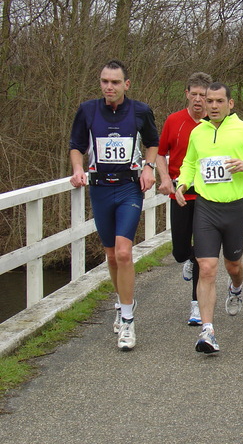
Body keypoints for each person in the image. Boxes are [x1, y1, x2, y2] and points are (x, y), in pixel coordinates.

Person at [175, 82, 243, 354]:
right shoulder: (198, 132)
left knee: (233, 265)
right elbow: (190, 163)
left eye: (220, 101)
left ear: (230, 104)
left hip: (234, 208)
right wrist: (183, 183)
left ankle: (237, 287)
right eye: (210, 101)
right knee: (206, 267)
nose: (214, 106)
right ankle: (207, 331)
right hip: (206, 207)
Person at [69, 59, 159, 350]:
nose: (109, 87)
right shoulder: (88, 110)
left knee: (123, 252)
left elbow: (153, 143)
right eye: (105, 81)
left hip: (128, 189)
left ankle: (129, 321)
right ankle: (121, 303)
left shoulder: (141, 111)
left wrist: (148, 167)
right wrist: (77, 168)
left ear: (126, 85)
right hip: (99, 189)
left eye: (115, 82)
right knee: (110, 255)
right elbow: (76, 145)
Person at [156, 72, 212, 326]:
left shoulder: (215, 123)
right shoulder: (174, 121)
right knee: (180, 250)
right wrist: (165, 178)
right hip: (179, 193)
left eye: (204, 95)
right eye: (195, 94)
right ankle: (186, 259)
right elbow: (160, 154)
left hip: (206, 194)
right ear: (187, 94)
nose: (199, 100)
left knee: (203, 252)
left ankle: (196, 306)